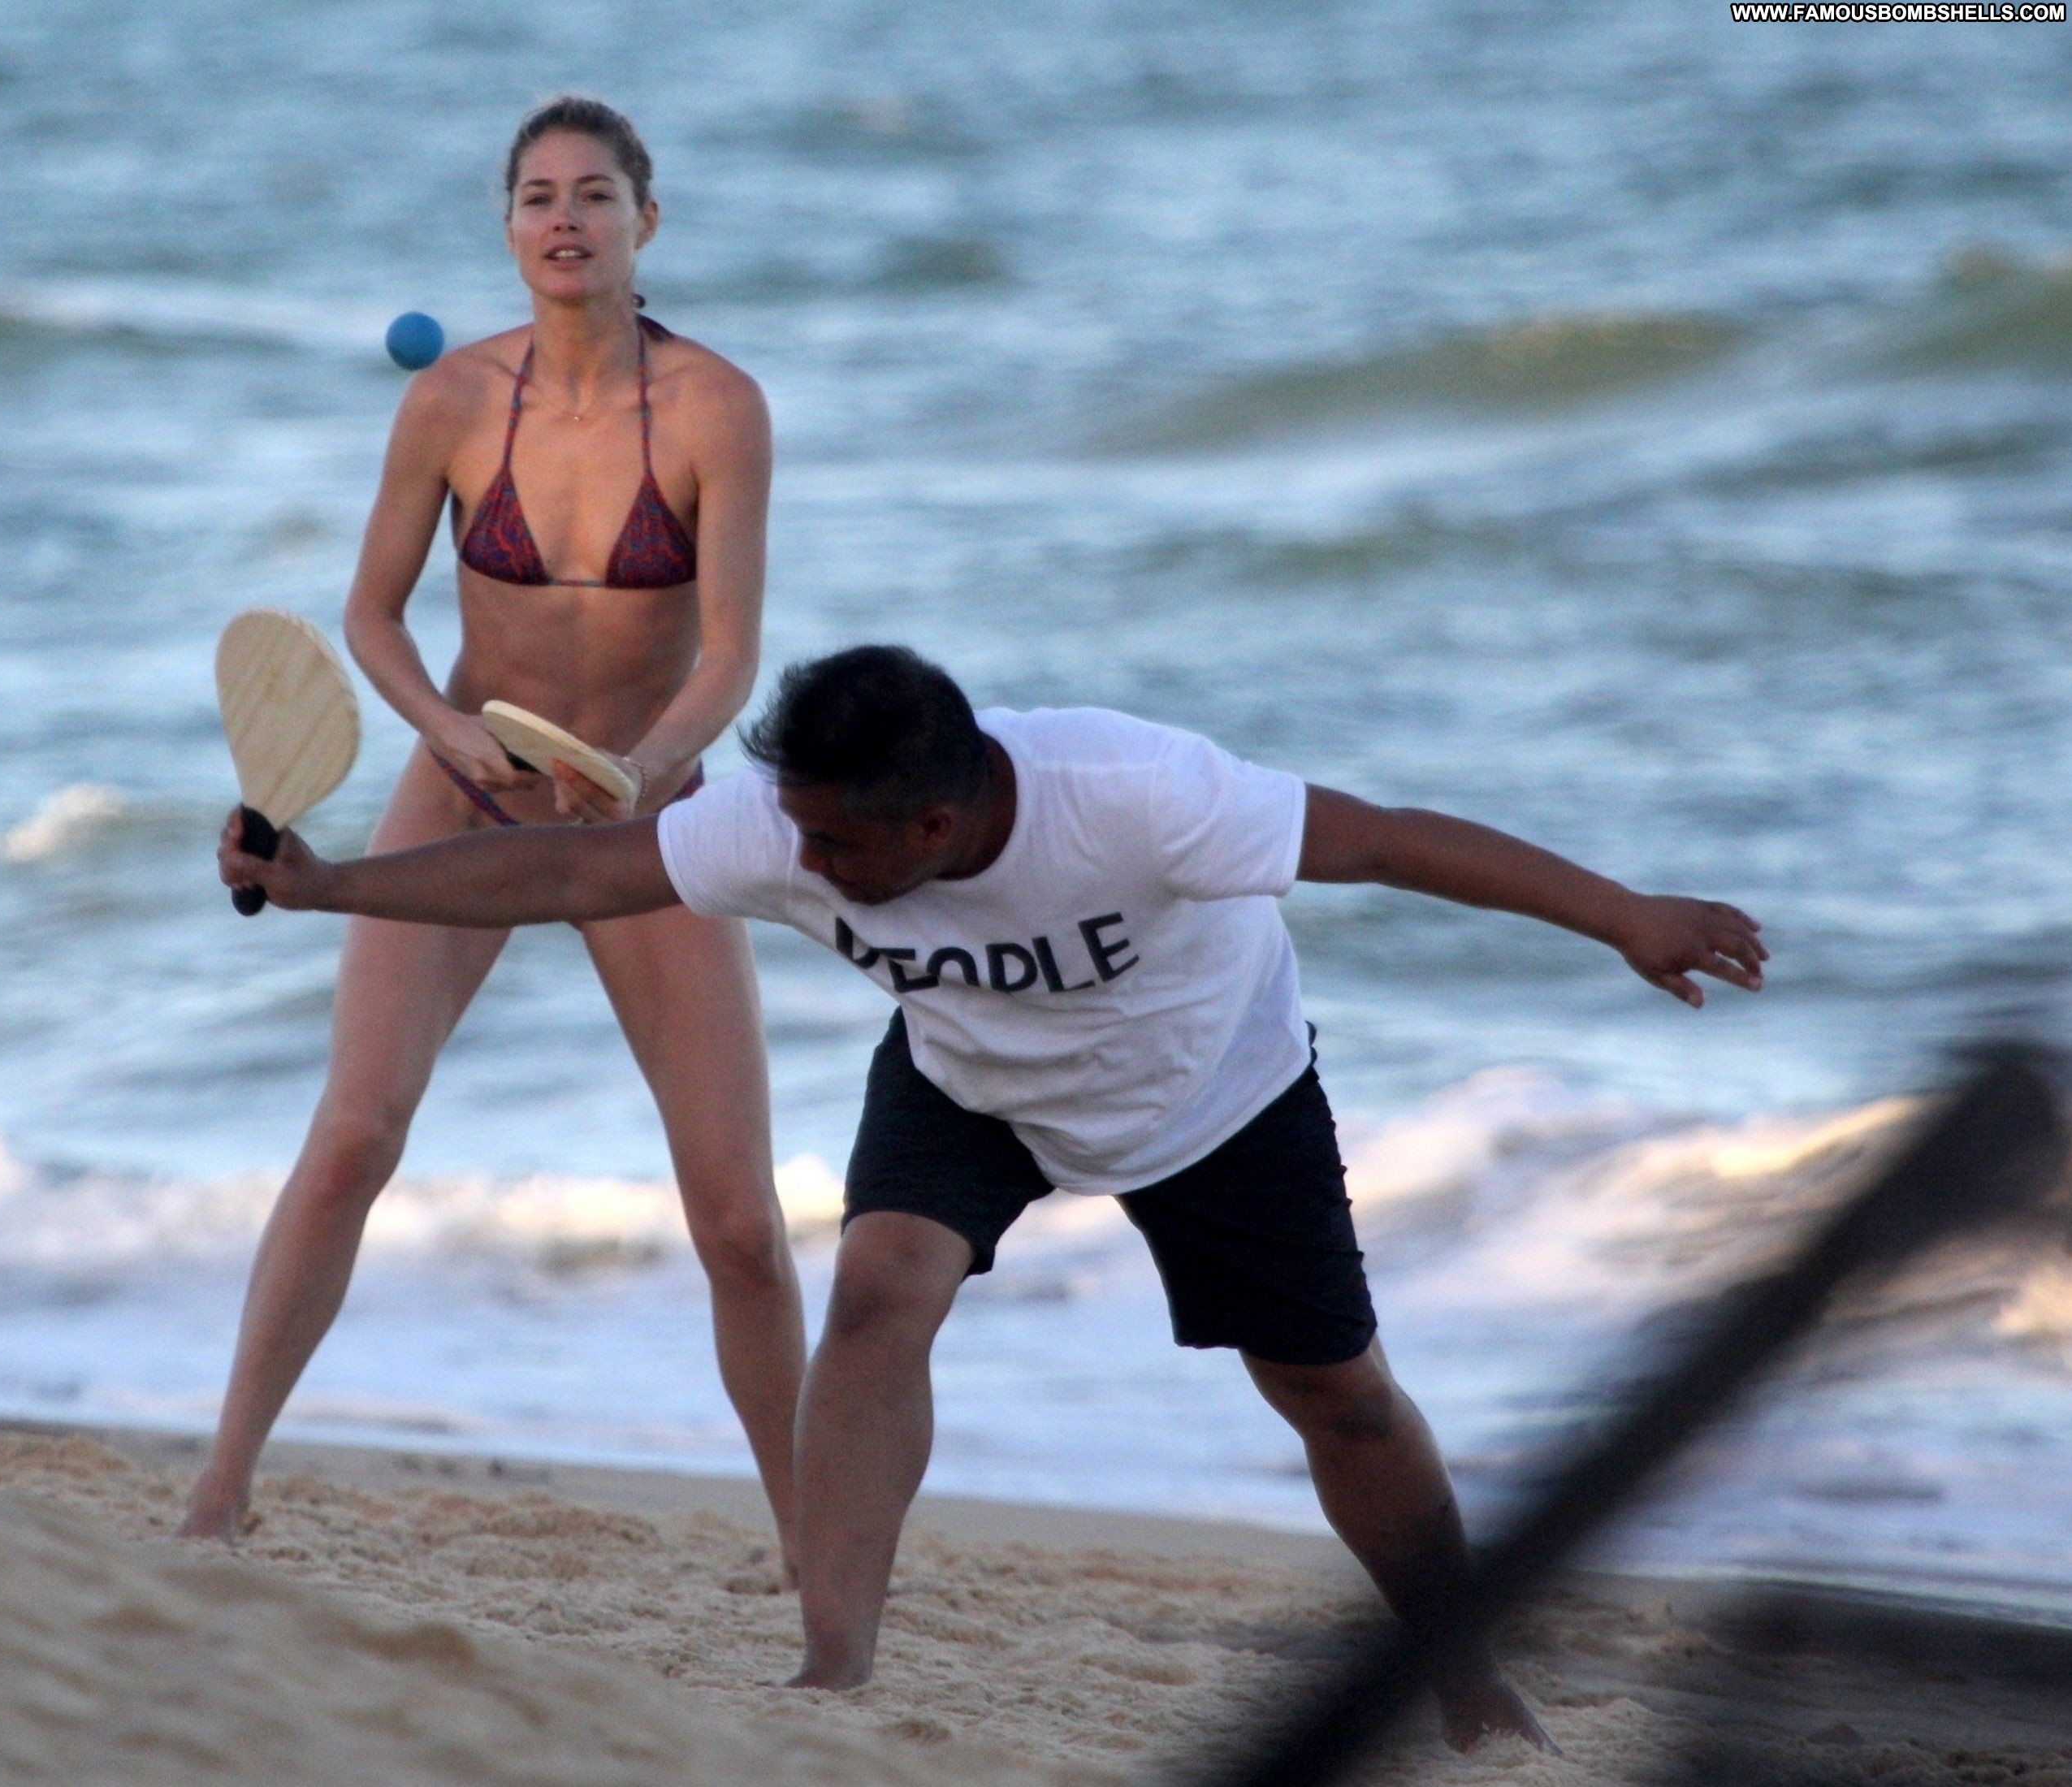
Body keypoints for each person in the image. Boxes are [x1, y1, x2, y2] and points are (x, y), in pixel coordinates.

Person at [213, 644, 1767, 1750]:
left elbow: (1384, 842)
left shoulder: (1136, 794)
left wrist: (1622, 914)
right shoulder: (791, 820)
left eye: (836, 844)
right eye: (796, 829)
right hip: (966, 1082)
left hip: (1212, 1091)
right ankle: (833, 1669)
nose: (801, 862)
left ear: (936, 827)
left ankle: (1467, 1680)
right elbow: (573, 875)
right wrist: (330, 884)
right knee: (876, 1292)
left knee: (1338, 1397)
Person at [178, 96, 807, 1563]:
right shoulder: (454, 401)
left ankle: (807, 1541)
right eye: (537, 197)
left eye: (594, 195)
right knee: (354, 1137)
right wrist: (443, 729)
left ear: (647, 222)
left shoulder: (717, 408)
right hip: (468, 787)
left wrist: (646, 772)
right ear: (510, 227)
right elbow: (372, 614)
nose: (564, 219)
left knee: (735, 1217)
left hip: (645, 819)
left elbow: (728, 657)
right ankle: (219, 1491)